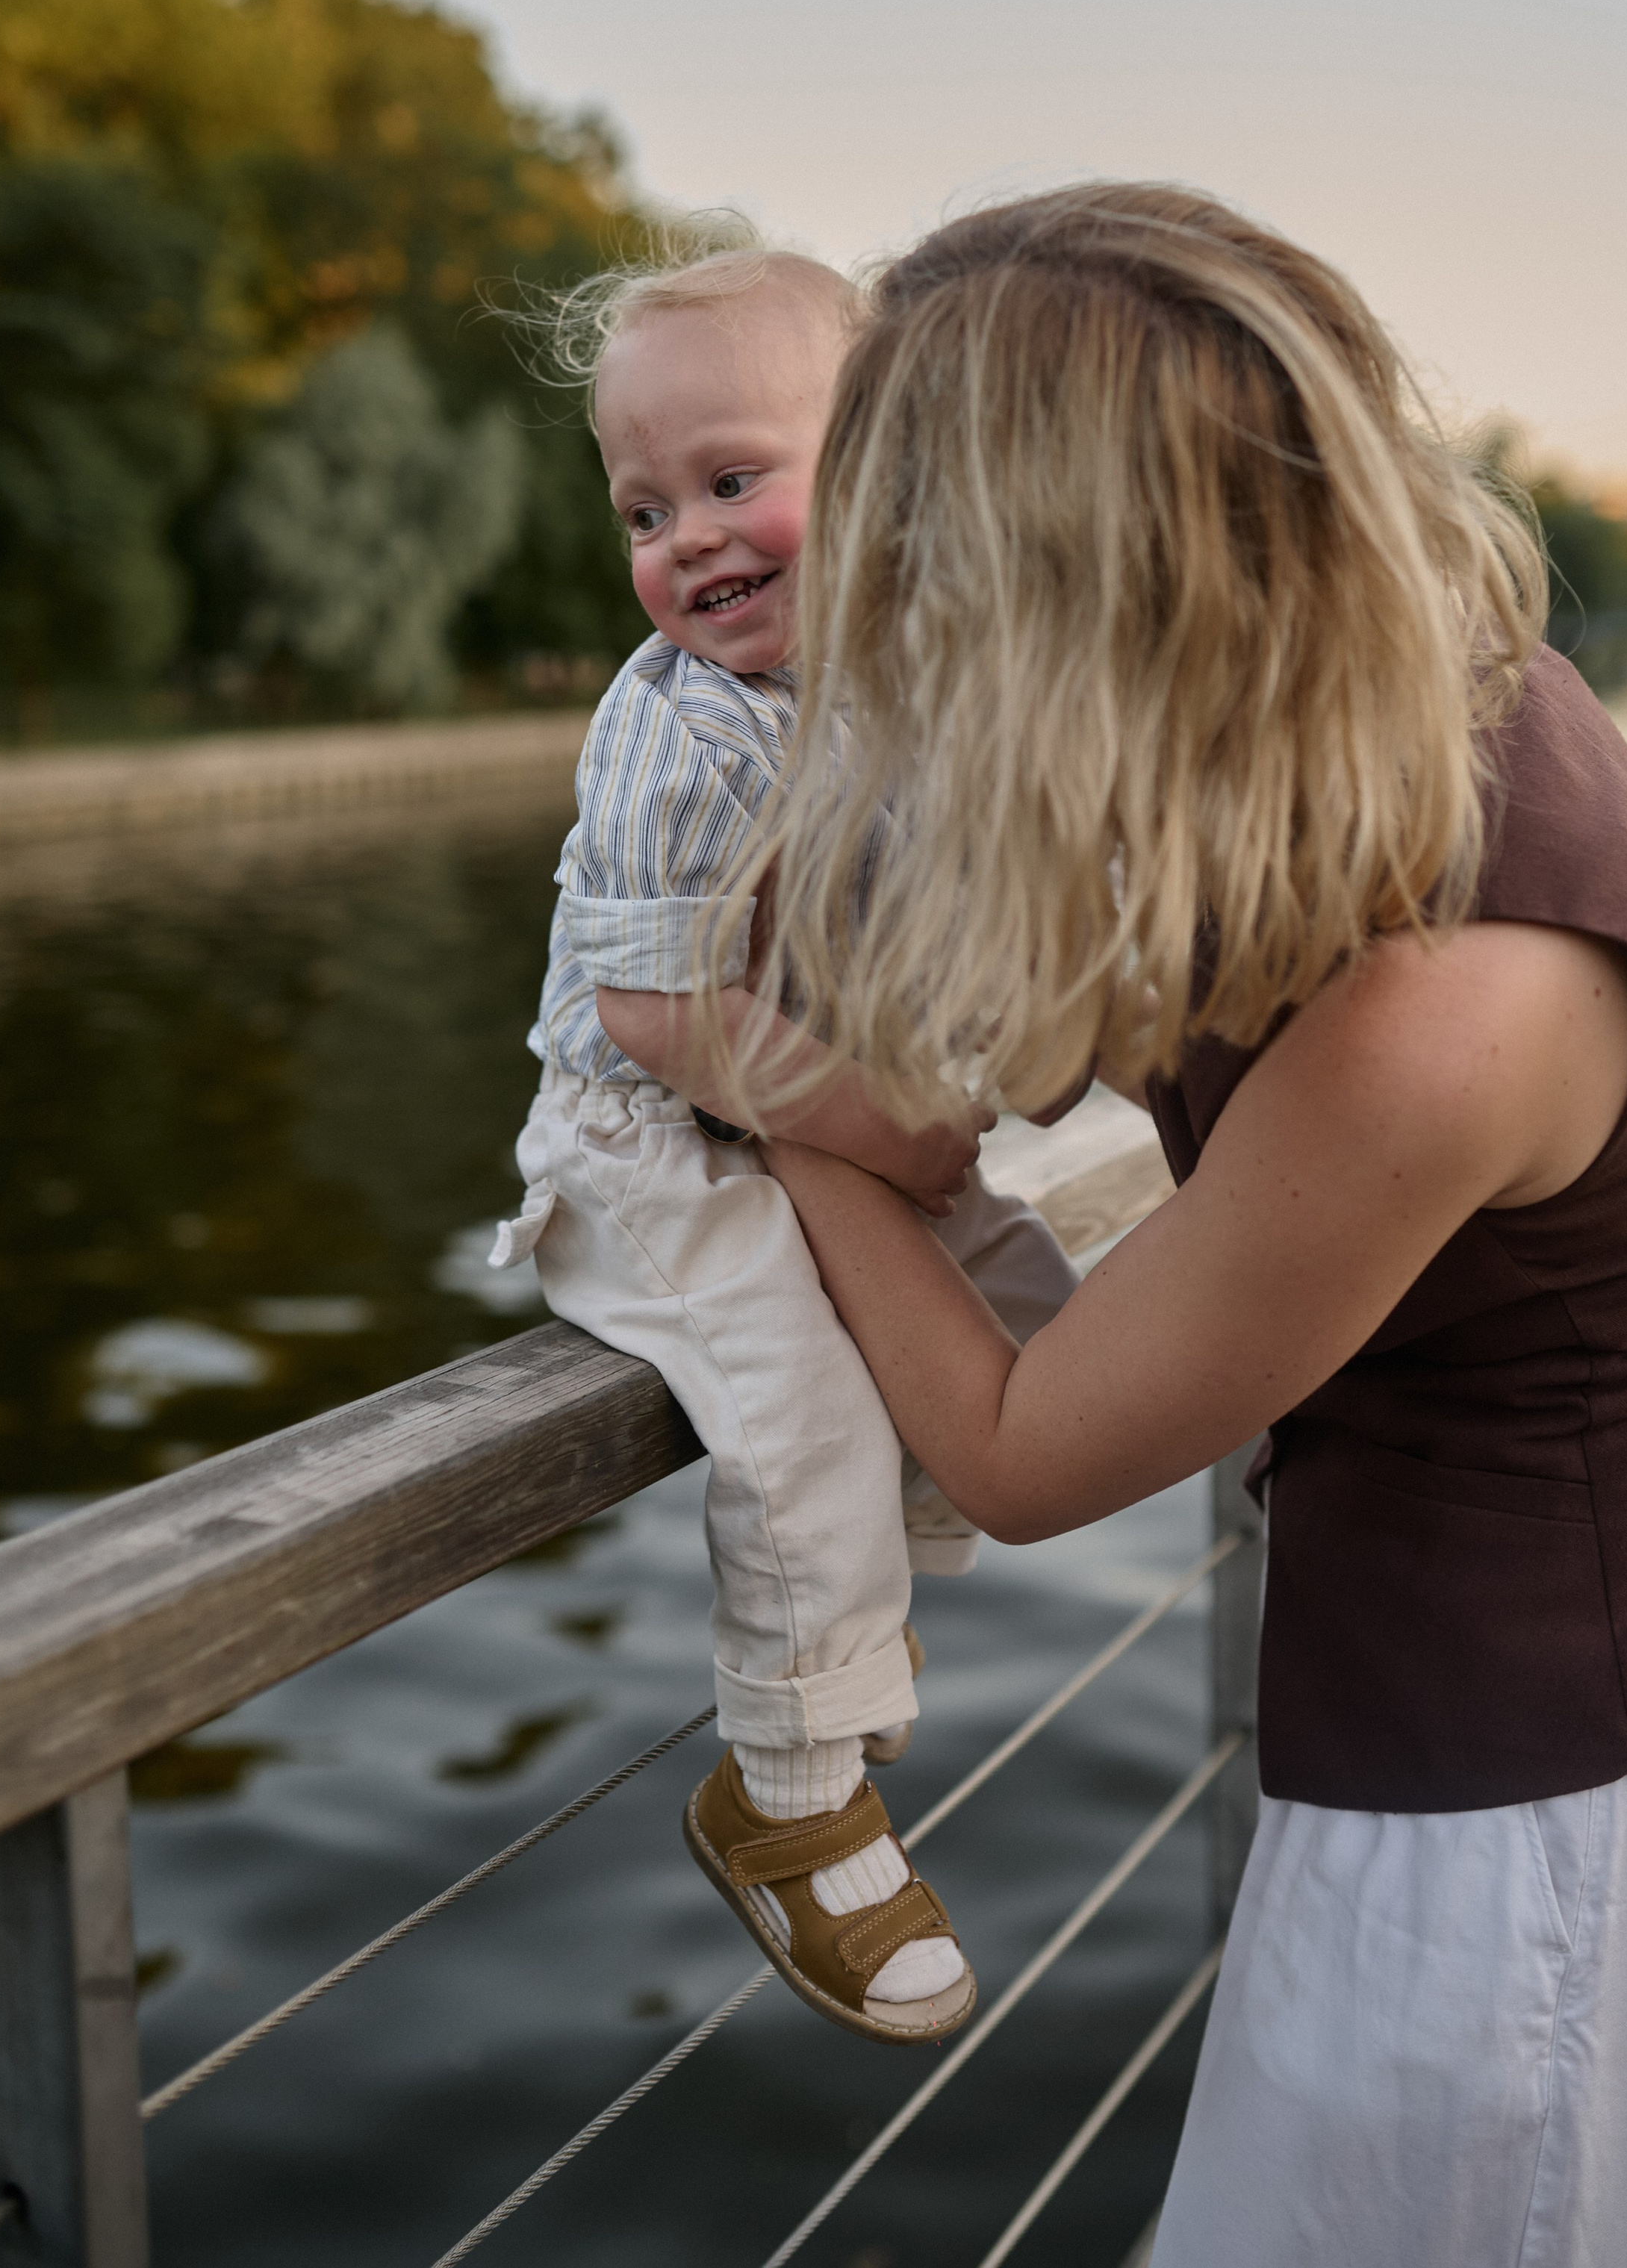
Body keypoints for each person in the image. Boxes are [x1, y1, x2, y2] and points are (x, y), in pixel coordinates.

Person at [733, 184, 1627, 2265]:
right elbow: (1088, 1036)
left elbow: (1017, 1449)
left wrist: (783, 1124)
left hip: (1523, 1836)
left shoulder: (1444, 1018)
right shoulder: (1435, 701)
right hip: (1532, 1723)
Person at [488, 246, 1076, 2045]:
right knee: (797, 1409)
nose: (687, 539)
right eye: (643, 509)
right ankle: (790, 1789)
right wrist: (889, 1131)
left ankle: (863, 1580)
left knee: (1037, 1306)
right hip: (651, 1141)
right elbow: (656, 1017)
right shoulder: (678, 728)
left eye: (732, 479)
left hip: (804, 1102)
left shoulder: (907, 679)